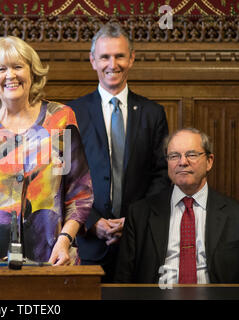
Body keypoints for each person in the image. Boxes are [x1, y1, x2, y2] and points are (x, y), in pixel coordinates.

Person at [0, 36, 93, 268]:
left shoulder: (61, 119)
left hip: (53, 260)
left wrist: (64, 241)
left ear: (32, 72)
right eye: (1, 69)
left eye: (18, 67)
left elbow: (80, 195)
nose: (10, 75)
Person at [67, 22, 170, 281]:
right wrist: (91, 222)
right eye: (105, 57)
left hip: (137, 244)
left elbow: (161, 176)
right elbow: (63, 176)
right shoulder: (71, 113)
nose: (112, 64)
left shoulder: (153, 113)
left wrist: (133, 220)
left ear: (132, 58)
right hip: (87, 245)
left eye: (119, 56)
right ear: (93, 61)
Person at [115, 128, 239, 283]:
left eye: (192, 155)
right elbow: (123, 280)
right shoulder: (139, 213)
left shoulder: (236, 215)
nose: (182, 162)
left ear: (209, 161)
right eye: (174, 156)